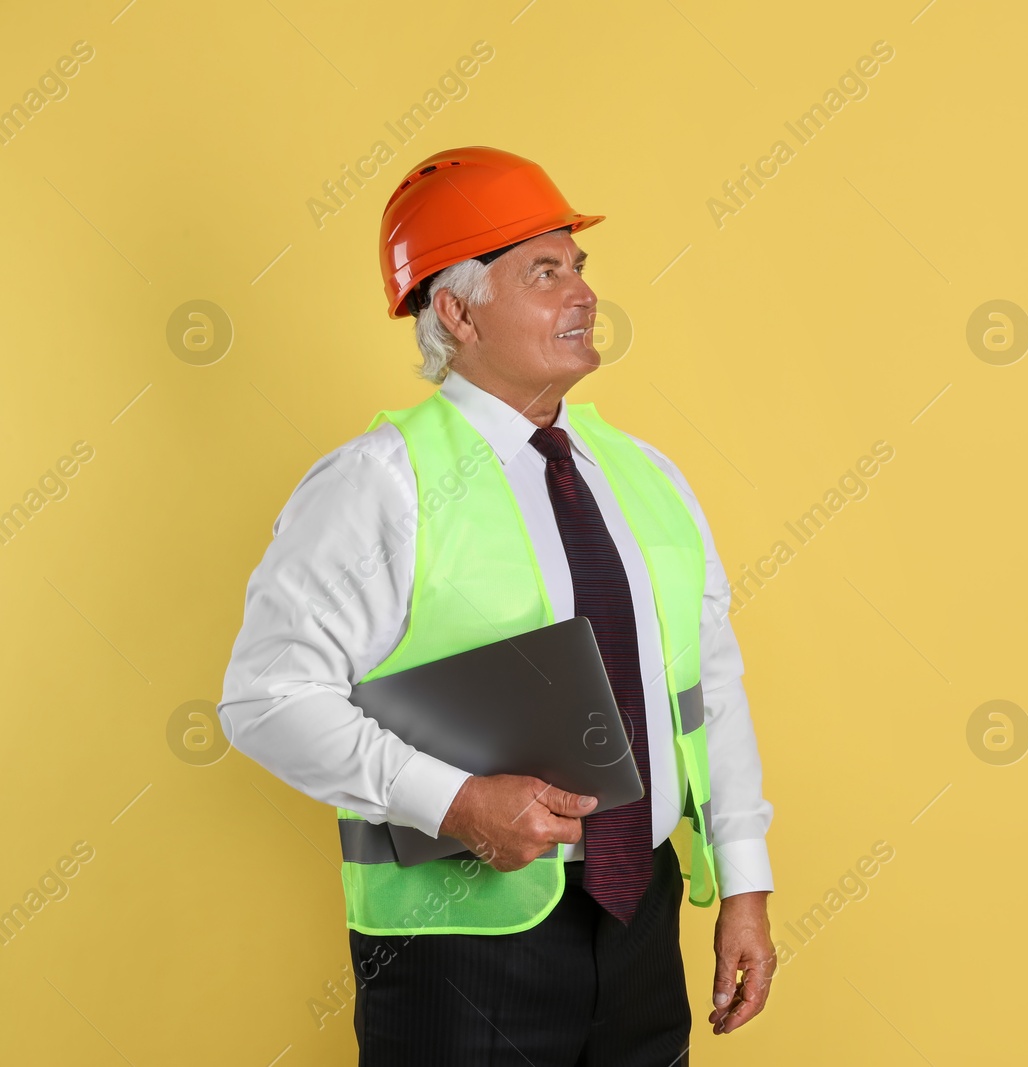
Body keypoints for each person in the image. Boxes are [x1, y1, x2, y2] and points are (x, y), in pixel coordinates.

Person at [218, 146, 776, 1065]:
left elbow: (709, 684)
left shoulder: (645, 476)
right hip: (458, 951)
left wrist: (745, 882)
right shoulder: (380, 483)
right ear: (456, 310)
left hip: (643, 923)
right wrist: (457, 802)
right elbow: (266, 699)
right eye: (545, 271)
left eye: (580, 267)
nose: (584, 293)